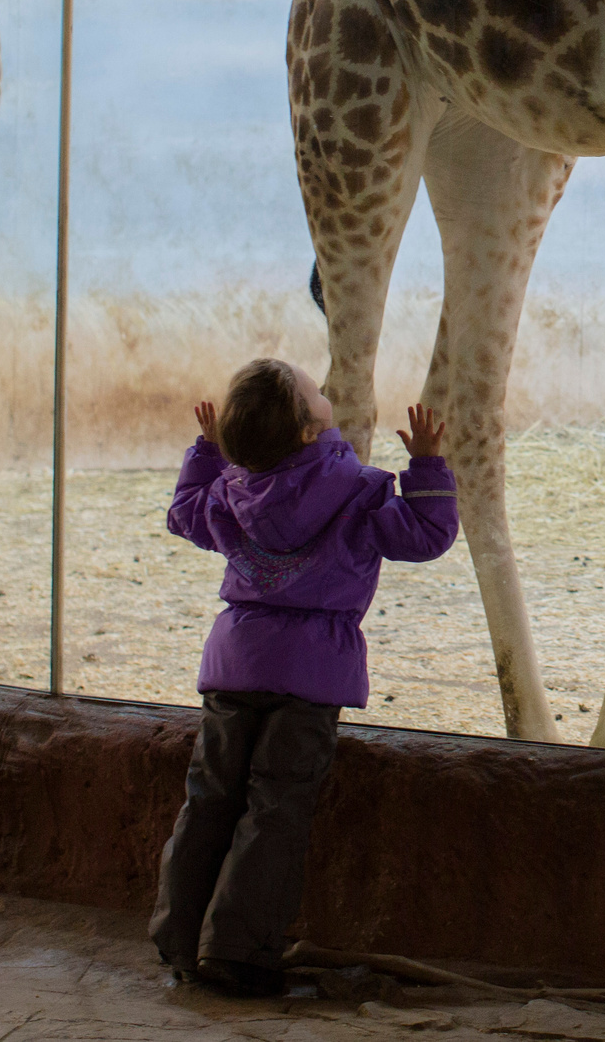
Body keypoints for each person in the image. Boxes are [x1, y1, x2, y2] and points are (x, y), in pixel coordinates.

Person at [149, 359, 457, 997]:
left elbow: (181, 513)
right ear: (308, 432)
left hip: (235, 664)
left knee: (209, 800)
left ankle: (179, 941)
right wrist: (426, 463)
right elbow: (427, 535)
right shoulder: (362, 492)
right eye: (314, 392)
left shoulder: (229, 493)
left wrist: (208, 454)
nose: (324, 389)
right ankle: (235, 952)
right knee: (276, 809)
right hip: (311, 675)